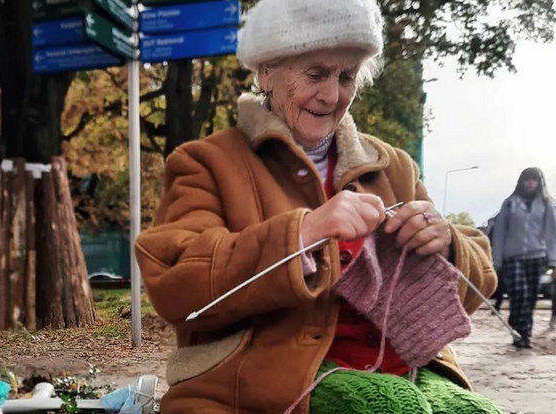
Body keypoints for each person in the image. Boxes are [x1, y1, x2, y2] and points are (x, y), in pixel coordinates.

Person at [134, 0, 499, 412]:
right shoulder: (205, 163)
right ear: (266, 71)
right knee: (391, 407)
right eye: (316, 74)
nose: (331, 95)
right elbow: (178, 287)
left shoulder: (393, 166)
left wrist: (447, 244)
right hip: (260, 374)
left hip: (408, 365)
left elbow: (476, 286)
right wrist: (303, 233)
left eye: (347, 76)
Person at [490, 167, 556, 345]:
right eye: (527, 179)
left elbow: (551, 233)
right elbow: (500, 232)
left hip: (537, 257)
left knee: (531, 297)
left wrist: (553, 260)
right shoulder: (510, 203)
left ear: (539, 182)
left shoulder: (547, 204)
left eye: (534, 179)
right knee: (520, 294)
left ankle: (523, 334)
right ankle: (518, 326)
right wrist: (497, 259)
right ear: (521, 181)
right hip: (513, 257)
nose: (530, 183)